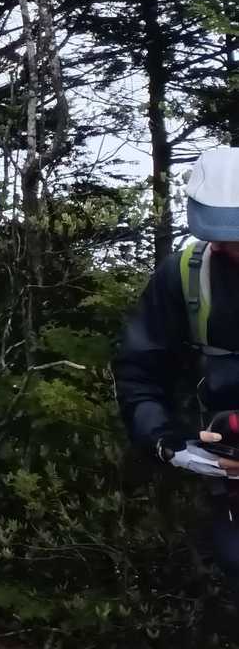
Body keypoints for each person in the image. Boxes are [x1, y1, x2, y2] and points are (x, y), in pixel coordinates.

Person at [114, 145, 239, 589]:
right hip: (229, 474)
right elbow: (140, 371)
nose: (227, 246)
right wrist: (167, 441)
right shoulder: (185, 275)